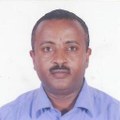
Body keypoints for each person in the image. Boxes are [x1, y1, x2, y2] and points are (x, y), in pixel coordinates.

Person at [0, 9, 120, 120]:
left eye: (72, 48)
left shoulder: (115, 114)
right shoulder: (7, 115)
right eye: (47, 49)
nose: (60, 59)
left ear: (87, 57)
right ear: (34, 58)